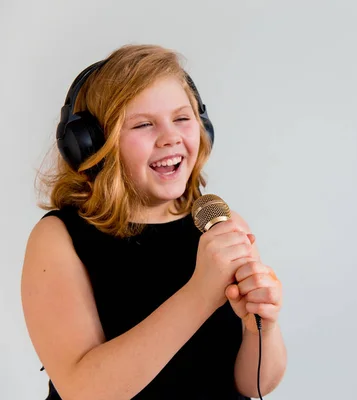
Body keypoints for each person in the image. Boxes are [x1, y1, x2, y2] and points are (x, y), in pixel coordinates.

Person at [20, 44, 287, 400]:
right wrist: (200, 293)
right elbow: (83, 391)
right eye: (144, 124)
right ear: (93, 144)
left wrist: (262, 330)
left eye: (182, 118)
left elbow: (252, 383)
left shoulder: (218, 224)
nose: (170, 137)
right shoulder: (57, 239)